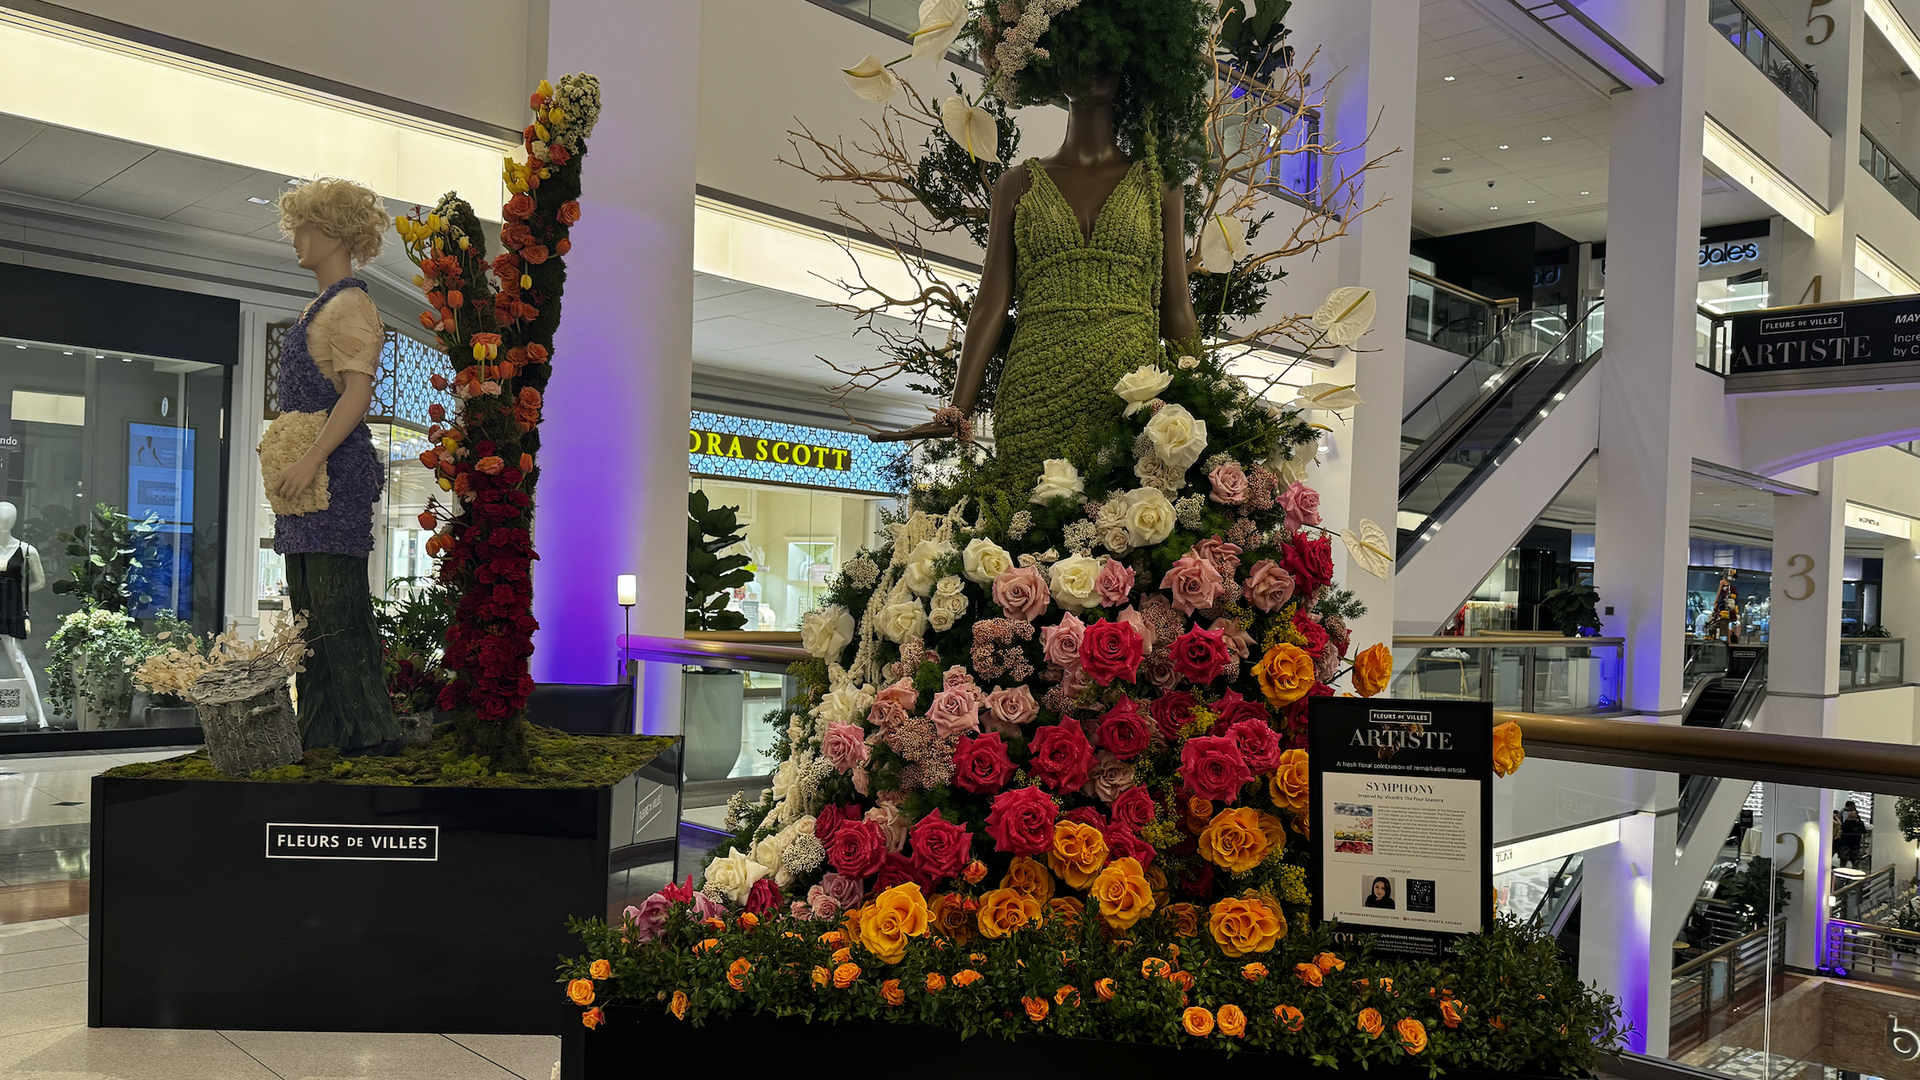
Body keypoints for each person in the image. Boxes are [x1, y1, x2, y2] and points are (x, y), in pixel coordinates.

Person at [870, 0, 1205, 509]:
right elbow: (991, 302)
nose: (1088, 66)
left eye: (1104, 53)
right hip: (1034, 392)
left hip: (1132, 398)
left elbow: (1176, 306)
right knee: (1029, 524)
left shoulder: (1161, 184)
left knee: (1125, 531)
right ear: (1048, 63)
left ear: (1131, 63)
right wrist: (958, 407)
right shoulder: (1017, 183)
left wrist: (1206, 403)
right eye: (1073, 52)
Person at [267, 177, 402, 754]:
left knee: (335, 604)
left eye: (307, 228)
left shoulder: (350, 306)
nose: (297, 239)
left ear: (336, 232)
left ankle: (372, 734)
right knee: (308, 613)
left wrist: (311, 457)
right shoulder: (318, 307)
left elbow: (357, 395)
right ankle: (319, 732)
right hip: (305, 481)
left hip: (332, 477)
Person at [1840, 801, 1869, 869]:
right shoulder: (1847, 823)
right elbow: (1845, 830)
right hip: (1847, 844)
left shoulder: (1858, 823)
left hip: (1853, 844)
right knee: (1844, 859)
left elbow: (1863, 830)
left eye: (1853, 817)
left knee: (1854, 860)